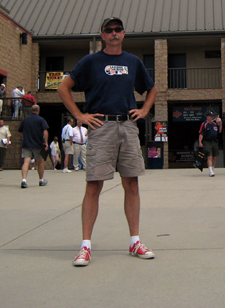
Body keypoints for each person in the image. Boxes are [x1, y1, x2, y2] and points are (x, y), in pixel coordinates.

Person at [57, 16, 158, 267]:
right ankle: (85, 247)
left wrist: (144, 111)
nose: (113, 33)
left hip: (127, 125)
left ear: (124, 33)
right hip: (100, 127)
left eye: (118, 29)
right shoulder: (91, 62)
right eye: (108, 30)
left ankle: (135, 241)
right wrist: (79, 116)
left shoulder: (133, 62)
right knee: (94, 186)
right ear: (102, 35)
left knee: (131, 184)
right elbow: (63, 87)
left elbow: (152, 89)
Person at [18, 104, 49, 188]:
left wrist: (24, 137)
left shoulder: (25, 120)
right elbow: (45, 131)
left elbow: (20, 131)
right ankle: (41, 180)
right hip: (37, 144)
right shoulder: (41, 120)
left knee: (26, 162)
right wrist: (46, 142)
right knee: (40, 162)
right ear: (38, 111)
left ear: (31, 110)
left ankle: (24, 180)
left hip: (26, 144)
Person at [198, 111, 221, 176]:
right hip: (207, 142)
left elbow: (220, 131)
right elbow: (201, 134)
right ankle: (210, 171)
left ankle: (212, 169)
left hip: (215, 142)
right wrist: (200, 142)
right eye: (211, 116)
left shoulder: (215, 124)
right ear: (207, 117)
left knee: (214, 157)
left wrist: (220, 123)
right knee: (209, 156)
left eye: (213, 116)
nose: (212, 117)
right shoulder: (204, 124)